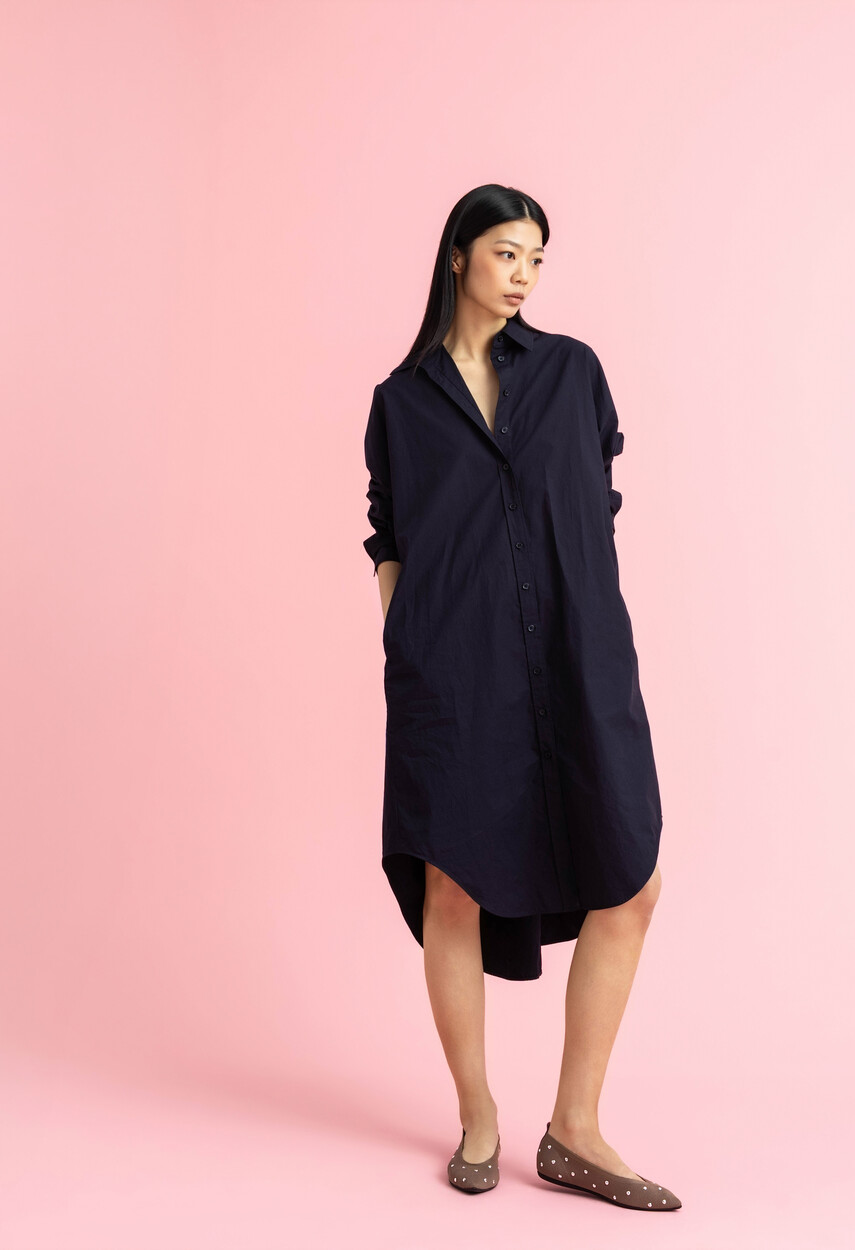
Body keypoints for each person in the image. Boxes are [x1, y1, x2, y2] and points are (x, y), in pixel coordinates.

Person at [362, 184, 681, 1211]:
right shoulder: (401, 403)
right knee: (451, 887)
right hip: (454, 675)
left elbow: (596, 504)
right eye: (507, 252)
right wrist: (409, 642)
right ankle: (478, 1117)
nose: (525, 274)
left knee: (631, 880)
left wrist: (587, 613)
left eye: (537, 258)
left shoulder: (572, 371)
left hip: (580, 659)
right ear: (458, 256)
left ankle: (575, 1129)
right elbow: (389, 536)